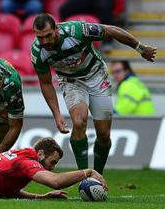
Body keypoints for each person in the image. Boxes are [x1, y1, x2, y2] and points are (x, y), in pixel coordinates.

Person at [30, 13, 157, 175]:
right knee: (79, 120)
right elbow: (46, 83)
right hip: (71, 81)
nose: (45, 41)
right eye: (40, 38)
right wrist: (56, 114)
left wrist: (140, 47)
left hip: (96, 76)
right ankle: (85, 176)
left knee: (104, 134)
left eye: (48, 35)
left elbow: (110, 30)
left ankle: (98, 175)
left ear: (56, 29)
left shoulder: (76, 31)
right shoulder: (37, 52)